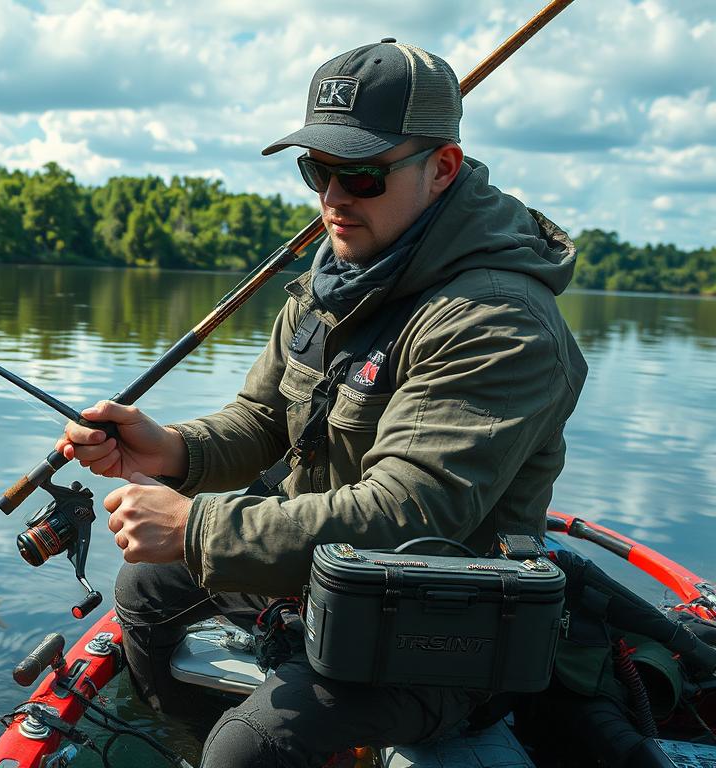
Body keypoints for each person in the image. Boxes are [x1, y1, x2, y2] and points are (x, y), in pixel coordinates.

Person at [57, 39, 589, 767]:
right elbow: (265, 419)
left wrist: (199, 527)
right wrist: (170, 448)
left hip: (437, 623)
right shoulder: (338, 276)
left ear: (442, 168)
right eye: (319, 170)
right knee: (146, 587)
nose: (333, 198)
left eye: (363, 174)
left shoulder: (497, 321)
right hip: (317, 574)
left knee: (249, 747)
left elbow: (409, 516)